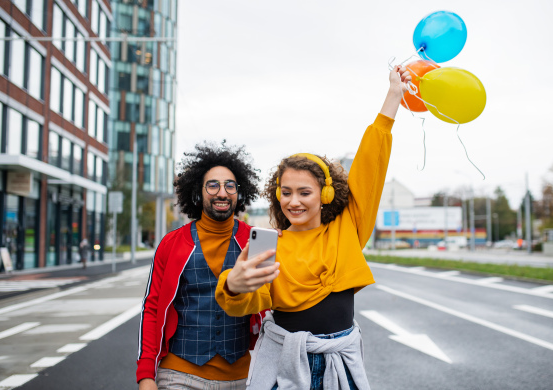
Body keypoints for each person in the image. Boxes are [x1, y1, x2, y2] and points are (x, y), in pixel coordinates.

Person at [215, 65, 411, 390]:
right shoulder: (271, 245)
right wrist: (233, 285)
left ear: (326, 194)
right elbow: (244, 302)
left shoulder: (347, 229)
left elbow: (370, 162)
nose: (294, 201)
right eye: (286, 192)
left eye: (305, 192)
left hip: (340, 359)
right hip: (286, 362)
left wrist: (393, 95)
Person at [136, 142, 264, 390]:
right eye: (213, 185)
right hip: (179, 374)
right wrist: (146, 375)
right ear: (198, 191)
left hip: (244, 377)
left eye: (230, 185)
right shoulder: (171, 244)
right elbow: (152, 309)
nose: (222, 193)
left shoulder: (255, 240)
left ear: (240, 192)